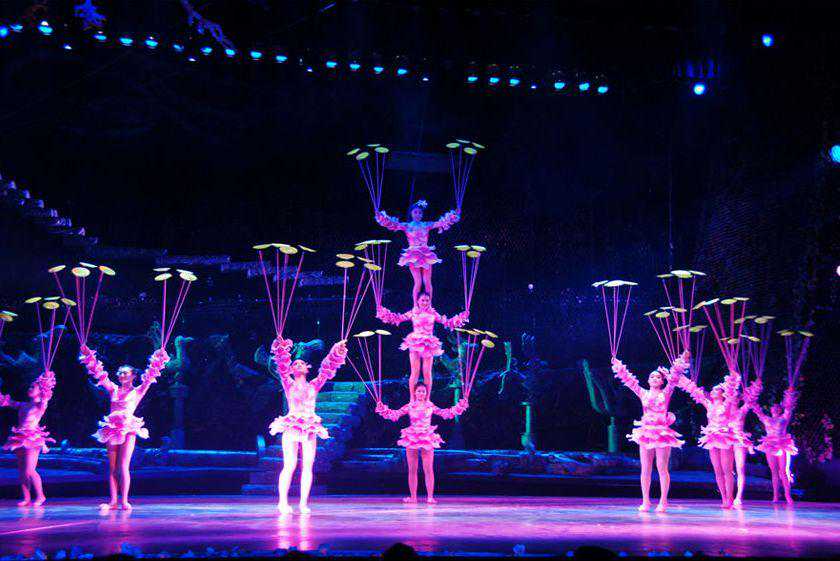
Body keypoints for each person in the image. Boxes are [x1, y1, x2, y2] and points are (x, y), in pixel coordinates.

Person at [79, 345, 170, 510]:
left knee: (123, 466)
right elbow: (99, 374)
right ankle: (113, 501)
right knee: (112, 467)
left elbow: (150, 376)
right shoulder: (113, 389)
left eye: (125, 373)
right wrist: (88, 355)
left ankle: (124, 500)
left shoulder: (138, 391)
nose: (121, 375)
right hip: (112, 429)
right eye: (120, 373)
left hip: (128, 428)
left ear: (133, 376)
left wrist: (160, 358)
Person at [269, 335, 347, 514]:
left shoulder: (314, 385)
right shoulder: (288, 384)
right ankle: (282, 502)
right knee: (289, 465)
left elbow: (327, 369)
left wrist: (337, 350)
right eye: (294, 363)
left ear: (307, 368)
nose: (297, 365)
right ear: (291, 369)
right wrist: (280, 347)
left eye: (301, 363)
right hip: (292, 425)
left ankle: (303, 503)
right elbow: (281, 366)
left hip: (310, 426)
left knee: (308, 466)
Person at [611, 351, 688, 512]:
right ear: (648, 380)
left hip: (662, 433)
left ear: (662, 381)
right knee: (645, 468)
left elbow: (674, 378)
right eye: (652, 377)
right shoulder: (642, 393)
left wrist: (683, 359)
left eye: (658, 377)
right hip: (646, 433)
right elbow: (628, 380)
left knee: (662, 467)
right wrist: (617, 365)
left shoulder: (666, 392)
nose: (655, 378)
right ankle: (645, 501)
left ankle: (663, 501)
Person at [376, 383, 468, 504]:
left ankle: (430, 497)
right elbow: (395, 414)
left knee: (428, 468)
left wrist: (460, 406)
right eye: (419, 391)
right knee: (412, 469)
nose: (421, 393)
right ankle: (413, 497)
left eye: (423, 391)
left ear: (426, 393)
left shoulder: (430, 406)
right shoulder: (410, 406)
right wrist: (383, 409)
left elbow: (445, 413)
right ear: (414, 392)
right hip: (412, 437)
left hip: (426, 437)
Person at [674, 369, 741, 508]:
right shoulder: (709, 404)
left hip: (724, 437)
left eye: (716, 390)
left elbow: (732, 391)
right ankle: (723, 498)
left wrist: (733, 377)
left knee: (727, 470)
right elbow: (695, 392)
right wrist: (681, 378)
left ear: (722, 393)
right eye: (713, 390)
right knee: (717, 470)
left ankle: (730, 497)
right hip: (712, 437)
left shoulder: (727, 404)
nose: (713, 391)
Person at [377, 293, 468, 395]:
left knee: (427, 373)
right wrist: (384, 314)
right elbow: (399, 318)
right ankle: (412, 398)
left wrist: (461, 318)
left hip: (429, 343)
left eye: (427, 300)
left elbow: (447, 322)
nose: (425, 303)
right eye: (422, 300)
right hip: (416, 343)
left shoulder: (433, 313)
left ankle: (427, 397)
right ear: (418, 301)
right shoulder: (413, 312)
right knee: (415, 372)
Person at [375, 200, 460, 304]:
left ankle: (429, 305)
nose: (418, 214)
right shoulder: (407, 225)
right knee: (418, 282)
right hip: (413, 255)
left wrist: (454, 215)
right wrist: (381, 217)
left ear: (422, 214)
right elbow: (393, 224)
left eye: (420, 212)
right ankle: (415, 305)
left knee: (427, 281)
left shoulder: (426, 225)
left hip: (426, 254)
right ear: (411, 213)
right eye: (415, 212)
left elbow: (441, 223)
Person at [1, 371, 56, 506]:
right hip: (20, 438)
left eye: (33, 387)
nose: (29, 388)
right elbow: (9, 402)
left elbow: (46, 398)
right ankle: (26, 498)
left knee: (30, 470)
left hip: (33, 438)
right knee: (22, 471)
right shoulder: (23, 405)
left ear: (40, 390)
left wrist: (46, 381)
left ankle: (41, 496)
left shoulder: (40, 405)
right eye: (30, 386)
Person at [752, 387, 798, 505]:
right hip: (770, 445)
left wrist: (790, 394)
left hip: (782, 445)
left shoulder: (784, 418)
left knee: (784, 471)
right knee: (774, 472)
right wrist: (752, 397)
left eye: (778, 406)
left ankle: (788, 496)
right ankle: (776, 495)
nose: (775, 408)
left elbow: (789, 408)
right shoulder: (766, 419)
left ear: (780, 409)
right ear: (771, 409)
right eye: (773, 406)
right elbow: (757, 411)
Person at [728, 378, 763, 507]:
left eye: (736, 398)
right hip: (726, 440)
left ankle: (739, 496)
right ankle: (728, 496)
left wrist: (756, 385)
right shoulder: (725, 411)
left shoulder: (741, 410)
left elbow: (750, 401)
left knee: (740, 468)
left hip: (739, 441)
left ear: (739, 399)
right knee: (727, 469)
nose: (734, 399)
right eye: (732, 397)